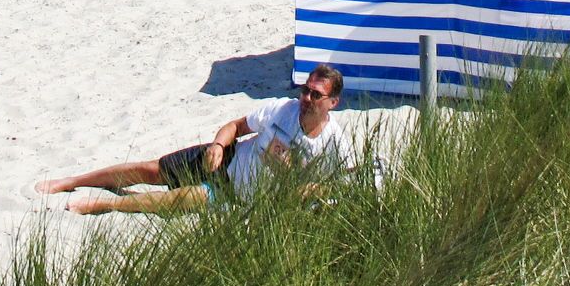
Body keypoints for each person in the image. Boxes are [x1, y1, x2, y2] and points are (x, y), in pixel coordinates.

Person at [37, 66, 350, 214]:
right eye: (305, 90)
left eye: (316, 95)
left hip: (234, 195)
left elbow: (343, 185)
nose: (306, 98)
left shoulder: (333, 142)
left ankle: (105, 205)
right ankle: (73, 180)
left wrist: (313, 188)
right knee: (152, 170)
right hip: (224, 160)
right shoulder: (281, 109)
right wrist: (218, 145)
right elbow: (235, 126)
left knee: (176, 200)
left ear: (333, 103)